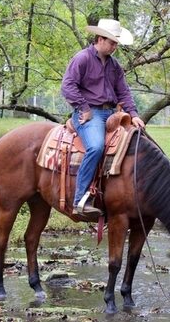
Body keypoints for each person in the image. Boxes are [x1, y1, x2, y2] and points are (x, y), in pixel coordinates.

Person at [61, 18, 145, 218]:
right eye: (112, 42)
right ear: (100, 39)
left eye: (116, 43)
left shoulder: (115, 66)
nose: (115, 46)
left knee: (138, 143)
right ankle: (80, 200)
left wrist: (133, 115)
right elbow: (67, 86)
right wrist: (83, 107)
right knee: (96, 147)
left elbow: (123, 92)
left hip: (113, 114)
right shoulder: (82, 59)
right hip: (91, 114)